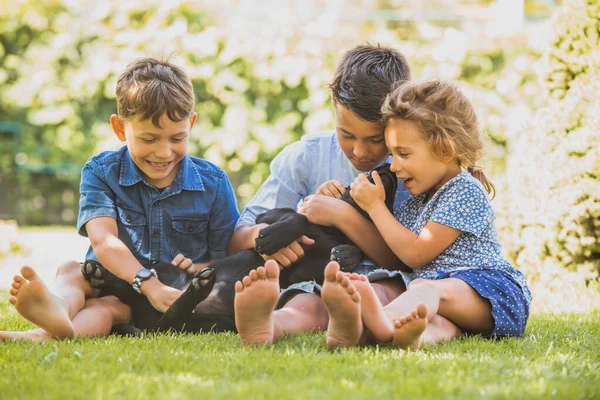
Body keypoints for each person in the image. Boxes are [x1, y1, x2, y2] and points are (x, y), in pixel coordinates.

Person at [0, 58, 239, 341]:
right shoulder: (101, 171)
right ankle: (59, 310)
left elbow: (225, 258)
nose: (164, 152)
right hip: (111, 281)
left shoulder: (212, 182)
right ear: (120, 128)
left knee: (108, 309)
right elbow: (103, 241)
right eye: (149, 139)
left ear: (192, 123)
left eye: (177, 138)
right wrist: (149, 284)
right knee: (72, 271)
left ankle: (43, 334)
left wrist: (195, 270)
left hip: (167, 297)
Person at [319, 79, 531, 349]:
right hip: (446, 301)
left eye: (403, 154)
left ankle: (380, 322)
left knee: (425, 290)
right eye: (392, 154)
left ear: (443, 150)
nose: (393, 166)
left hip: (489, 291)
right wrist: (340, 199)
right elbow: (397, 258)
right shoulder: (414, 204)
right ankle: (399, 335)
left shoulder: (464, 189)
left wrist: (376, 207)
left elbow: (416, 254)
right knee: (433, 321)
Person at [230, 44, 413, 345]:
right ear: (333, 108)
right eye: (346, 134)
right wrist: (264, 240)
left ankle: (351, 321)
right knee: (306, 305)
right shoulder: (306, 157)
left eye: (375, 139)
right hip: (316, 283)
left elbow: (410, 261)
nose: (360, 151)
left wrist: (342, 216)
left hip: (386, 286)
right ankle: (269, 324)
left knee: (379, 296)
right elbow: (237, 238)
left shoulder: (411, 168)